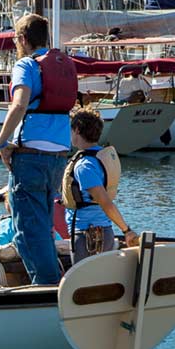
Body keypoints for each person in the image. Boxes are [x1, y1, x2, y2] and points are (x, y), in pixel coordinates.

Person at [0, 13, 74, 286]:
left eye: (17, 38)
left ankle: (46, 287)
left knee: (29, 229)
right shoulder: (63, 64)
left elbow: (19, 104)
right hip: (59, 155)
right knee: (39, 224)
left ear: (23, 39)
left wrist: (2, 141)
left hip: (31, 155)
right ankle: (48, 279)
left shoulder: (26, 65)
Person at [62, 108, 138, 264]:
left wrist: (127, 231)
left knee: (84, 284)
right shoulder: (101, 158)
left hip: (87, 237)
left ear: (76, 130)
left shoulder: (84, 166)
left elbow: (105, 202)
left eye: (70, 129)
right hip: (104, 232)